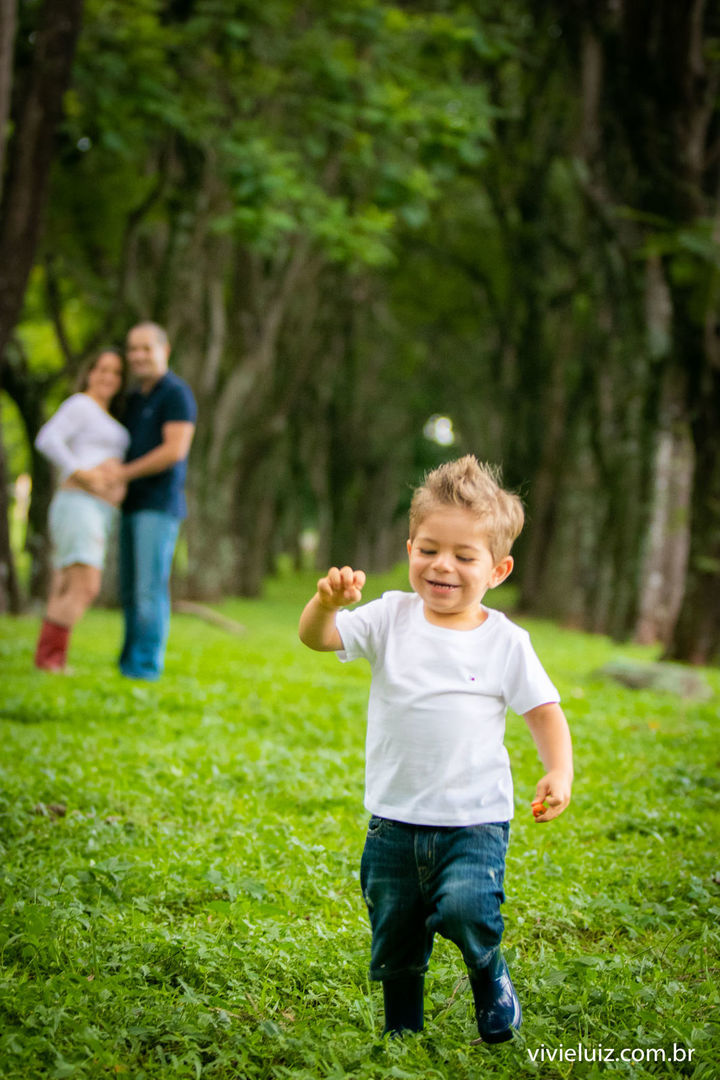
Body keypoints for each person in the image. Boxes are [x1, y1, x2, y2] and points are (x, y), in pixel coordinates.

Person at [298, 456, 573, 1043]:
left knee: (466, 910)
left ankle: (488, 972)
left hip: (475, 819)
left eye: (463, 556)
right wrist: (327, 602)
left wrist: (559, 770)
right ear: (409, 549)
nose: (441, 565)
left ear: (497, 569)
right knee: (394, 928)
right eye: (428, 549)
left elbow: (543, 711)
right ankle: (403, 1027)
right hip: (393, 820)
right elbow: (319, 638)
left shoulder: (505, 641)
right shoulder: (390, 617)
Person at [103, 321, 196, 680]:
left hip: (158, 507)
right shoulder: (133, 398)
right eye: (133, 349)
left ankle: (144, 668)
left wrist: (123, 475)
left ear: (164, 350)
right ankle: (129, 663)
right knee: (128, 590)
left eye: (146, 348)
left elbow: (175, 450)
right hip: (129, 505)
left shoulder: (176, 393)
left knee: (148, 590)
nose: (138, 356)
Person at [34, 349, 129, 671]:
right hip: (79, 504)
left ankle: (49, 658)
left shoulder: (106, 414)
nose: (108, 377)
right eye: (102, 369)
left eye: (115, 373)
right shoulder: (80, 405)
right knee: (86, 585)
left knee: (66, 583)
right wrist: (82, 472)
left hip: (98, 510)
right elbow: (48, 439)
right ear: (89, 372)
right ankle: (50, 659)